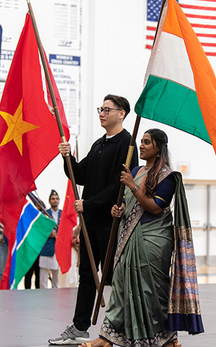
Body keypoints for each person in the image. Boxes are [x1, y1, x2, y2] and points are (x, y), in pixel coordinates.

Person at [79, 129, 203, 347]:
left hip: (153, 240)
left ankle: (166, 337)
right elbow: (130, 204)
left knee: (151, 290)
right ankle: (108, 337)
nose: (142, 146)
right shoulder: (135, 170)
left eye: (147, 142)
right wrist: (119, 210)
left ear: (158, 148)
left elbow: (155, 208)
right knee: (121, 285)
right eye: (141, 141)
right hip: (128, 237)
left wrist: (132, 185)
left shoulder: (168, 176)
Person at [48, 94, 138, 345]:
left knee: (112, 275)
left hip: (111, 221)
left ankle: (123, 328)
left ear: (121, 113)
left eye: (107, 109)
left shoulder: (127, 143)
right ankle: (79, 327)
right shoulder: (99, 144)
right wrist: (67, 158)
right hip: (89, 221)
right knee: (87, 274)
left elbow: (118, 185)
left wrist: (89, 204)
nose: (102, 113)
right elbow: (81, 175)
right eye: (101, 108)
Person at [39, 190, 62, 288]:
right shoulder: (44, 214)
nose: (55, 200)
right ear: (49, 201)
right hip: (47, 249)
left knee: (56, 280)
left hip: (59, 250)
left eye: (57, 199)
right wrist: (49, 234)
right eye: (53, 199)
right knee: (43, 279)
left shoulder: (63, 214)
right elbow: (40, 230)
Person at [24, 199, 47, 289]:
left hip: (40, 250)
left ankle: (38, 291)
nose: (38, 207)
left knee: (38, 272)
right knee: (28, 273)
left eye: (39, 205)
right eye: (36, 205)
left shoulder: (44, 218)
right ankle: (27, 291)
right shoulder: (29, 218)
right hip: (30, 250)